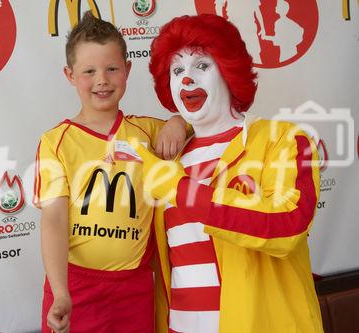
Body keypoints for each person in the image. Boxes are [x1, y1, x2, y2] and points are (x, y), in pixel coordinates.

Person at [131, 14, 323, 333]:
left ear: (228, 70)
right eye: (177, 70)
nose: (186, 80)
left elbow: (288, 225)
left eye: (202, 66)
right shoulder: (168, 158)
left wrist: (179, 190)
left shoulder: (283, 140)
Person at [33, 11, 188, 333]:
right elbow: (55, 219)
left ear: (128, 70)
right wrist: (61, 292)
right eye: (89, 71)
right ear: (70, 75)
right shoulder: (56, 142)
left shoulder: (146, 131)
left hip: (134, 288)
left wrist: (176, 122)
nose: (102, 79)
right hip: (76, 288)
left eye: (112, 68)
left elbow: (200, 125)